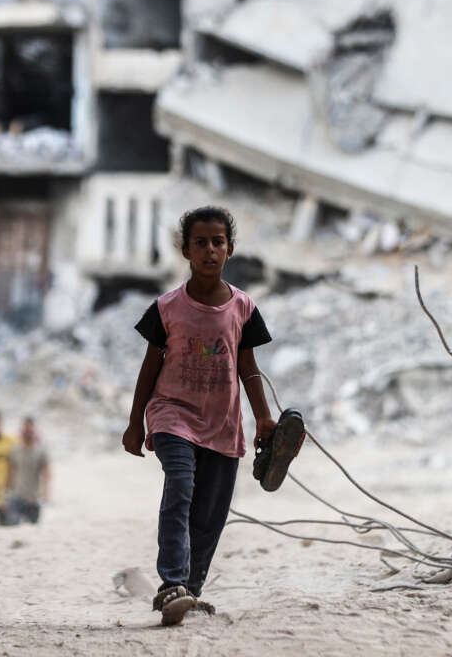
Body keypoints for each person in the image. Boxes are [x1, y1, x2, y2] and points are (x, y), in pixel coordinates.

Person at [122, 206, 278, 625]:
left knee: (211, 514)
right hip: (172, 415)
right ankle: (170, 582)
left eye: (217, 242)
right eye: (200, 242)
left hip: (224, 424)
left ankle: (188, 592)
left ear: (229, 249)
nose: (209, 250)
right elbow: (150, 367)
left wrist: (263, 417)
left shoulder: (243, 308)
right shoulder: (167, 308)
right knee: (180, 487)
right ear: (186, 250)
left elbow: (248, 366)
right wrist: (136, 422)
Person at [6, 417, 50, 525]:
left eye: (30, 431)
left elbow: (46, 473)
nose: (27, 433)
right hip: (16, 497)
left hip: (33, 498)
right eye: (25, 430)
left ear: (34, 432)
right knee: (12, 525)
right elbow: (10, 471)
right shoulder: (15, 450)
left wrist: (46, 492)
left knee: (32, 528)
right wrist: (7, 489)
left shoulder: (40, 452)